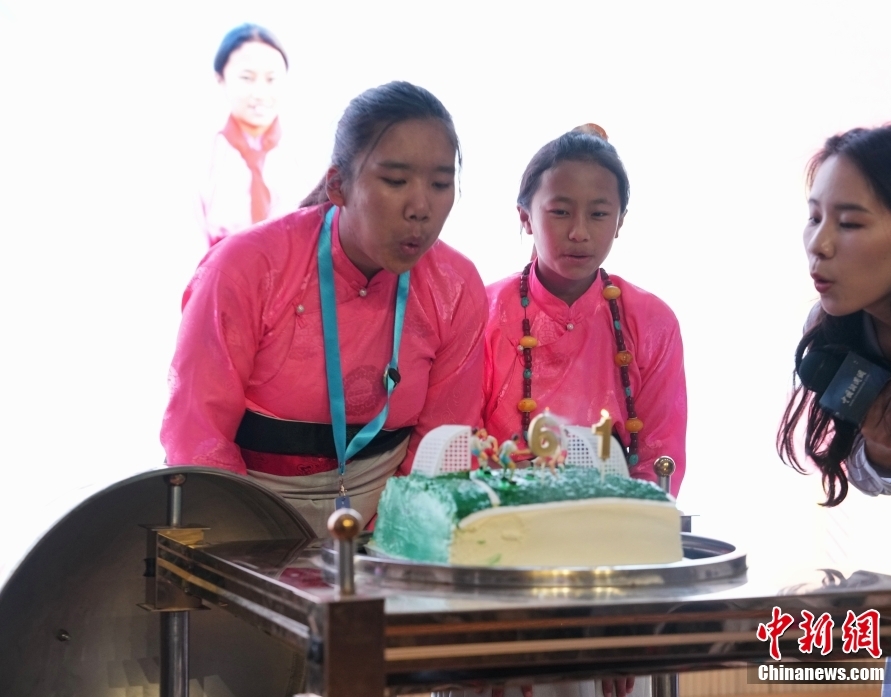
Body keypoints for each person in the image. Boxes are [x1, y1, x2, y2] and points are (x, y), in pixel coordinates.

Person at [162, 81, 488, 534]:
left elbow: (441, 449)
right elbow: (198, 434)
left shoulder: (456, 286)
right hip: (246, 520)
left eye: (440, 184)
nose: (420, 207)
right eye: (395, 181)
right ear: (338, 185)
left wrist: (389, 546)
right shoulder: (245, 268)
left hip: (389, 523)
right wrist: (252, 546)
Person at [778, 124, 891, 697]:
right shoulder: (837, 333)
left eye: (849, 223)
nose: (818, 244)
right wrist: (887, 457)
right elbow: (868, 467)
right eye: (814, 217)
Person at [483, 125, 687, 497]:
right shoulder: (484, 313)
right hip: (500, 512)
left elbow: (659, 459)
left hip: (613, 517)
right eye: (560, 212)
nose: (579, 232)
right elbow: (461, 442)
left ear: (620, 221)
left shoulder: (651, 322)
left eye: (598, 214)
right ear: (525, 217)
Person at [199, 24, 303, 247]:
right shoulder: (202, 155)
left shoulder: (305, 153)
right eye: (247, 78)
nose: (260, 93)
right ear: (220, 79)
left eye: (271, 79)